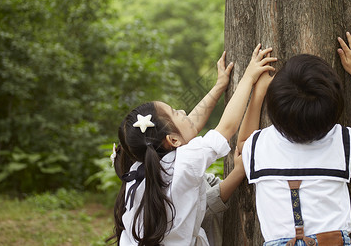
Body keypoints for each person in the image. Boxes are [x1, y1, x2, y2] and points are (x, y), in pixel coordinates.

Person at [108, 46, 276, 246]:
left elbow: (189, 126)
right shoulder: (183, 163)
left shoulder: (140, 170)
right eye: (175, 113)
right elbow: (227, 128)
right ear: (172, 141)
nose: (182, 110)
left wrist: (219, 86)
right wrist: (248, 77)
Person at [238, 32, 351, 246]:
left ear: (273, 107)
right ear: (334, 111)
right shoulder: (343, 143)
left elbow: (242, 144)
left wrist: (258, 93)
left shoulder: (258, 146)